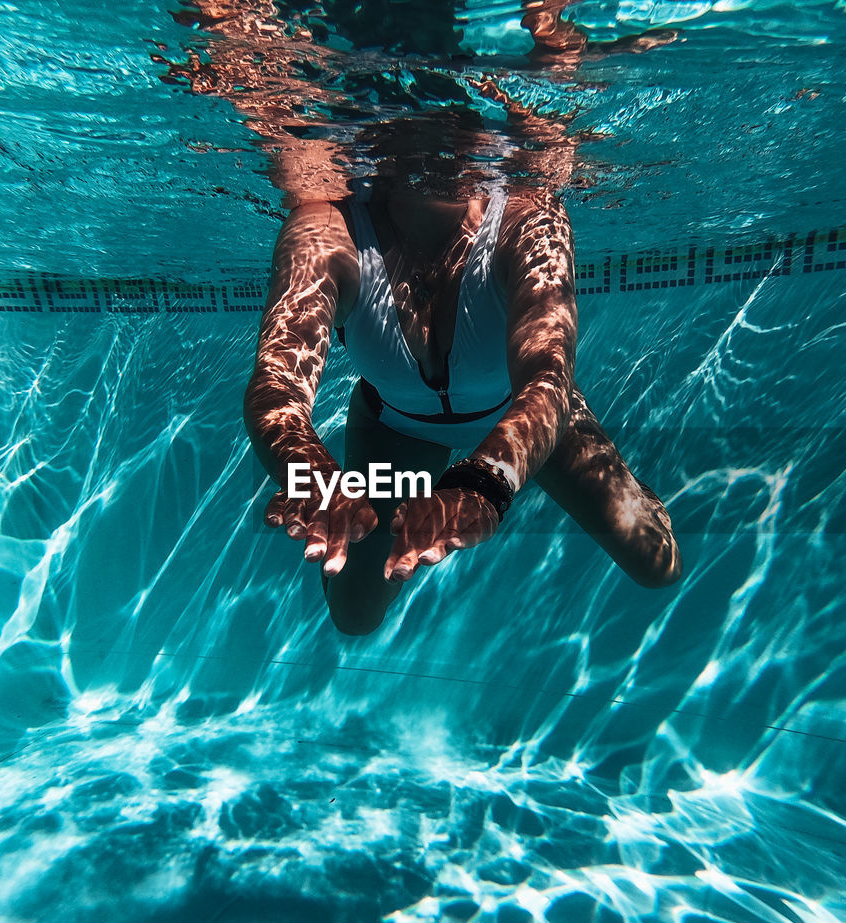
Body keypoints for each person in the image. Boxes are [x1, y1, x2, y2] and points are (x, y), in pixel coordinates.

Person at [243, 122, 681, 635]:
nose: (432, 154)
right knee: (354, 615)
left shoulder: (530, 219)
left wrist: (486, 480)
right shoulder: (323, 230)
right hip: (396, 427)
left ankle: (620, 483)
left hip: (528, 411)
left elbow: (548, 377)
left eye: (449, 124)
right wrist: (311, 472)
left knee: (658, 563)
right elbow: (277, 385)